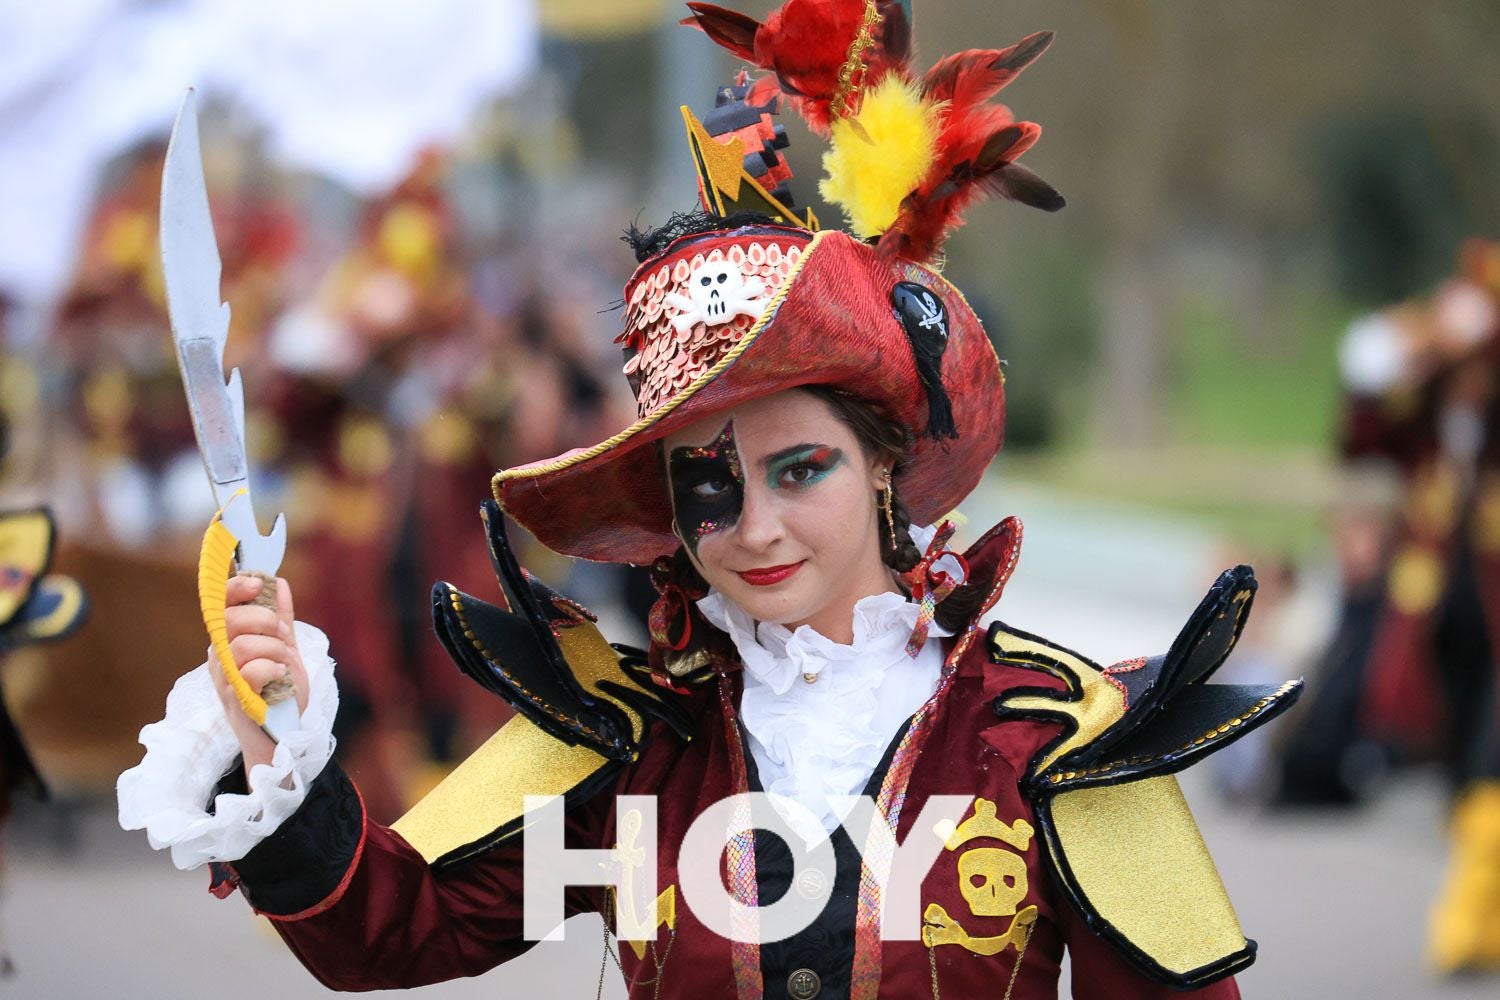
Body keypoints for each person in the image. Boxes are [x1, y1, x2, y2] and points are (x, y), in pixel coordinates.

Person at [118, 4, 1301, 996]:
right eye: (708, 486)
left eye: (802, 468)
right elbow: (394, 927)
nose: (756, 528)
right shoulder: (629, 744)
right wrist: (274, 745)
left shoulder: (1064, 736)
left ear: (885, 460)